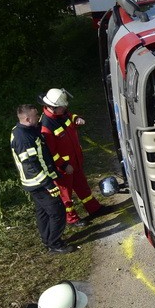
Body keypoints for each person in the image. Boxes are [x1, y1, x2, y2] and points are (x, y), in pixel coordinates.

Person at [11, 104, 74, 254]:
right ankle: (55, 243)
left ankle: (47, 239)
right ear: (27, 119)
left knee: (43, 213)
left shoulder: (22, 130)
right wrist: (48, 184)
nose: (38, 117)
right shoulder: (24, 139)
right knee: (57, 211)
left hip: (36, 182)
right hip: (39, 183)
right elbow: (32, 165)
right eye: (35, 116)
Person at [40, 88, 106, 227]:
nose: (65, 109)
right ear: (52, 107)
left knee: (83, 187)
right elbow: (50, 153)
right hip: (65, 168)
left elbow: (70, 116)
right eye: (62, 107)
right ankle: (72, 218)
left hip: (75, 161)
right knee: (65, 194)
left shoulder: (61, 114)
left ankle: (94, 209)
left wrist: (77, 119)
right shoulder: (46, 127)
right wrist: (63, 165)